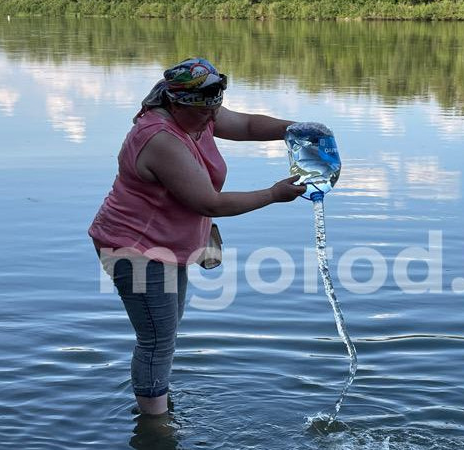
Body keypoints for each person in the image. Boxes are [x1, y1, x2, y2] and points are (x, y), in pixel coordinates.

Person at [88, 57, 307, 416]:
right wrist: (272, 194)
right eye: (205, 113)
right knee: (157, 339)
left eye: (215, 109)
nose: (212, 119)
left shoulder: (199, 109)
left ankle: (157, 401)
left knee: (165, 334)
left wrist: (300, 129)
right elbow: (209, 202)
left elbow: (250, 126)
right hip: (135, 247)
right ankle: (155, 425)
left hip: (168, 242)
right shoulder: (159, 139)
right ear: (176, 103)